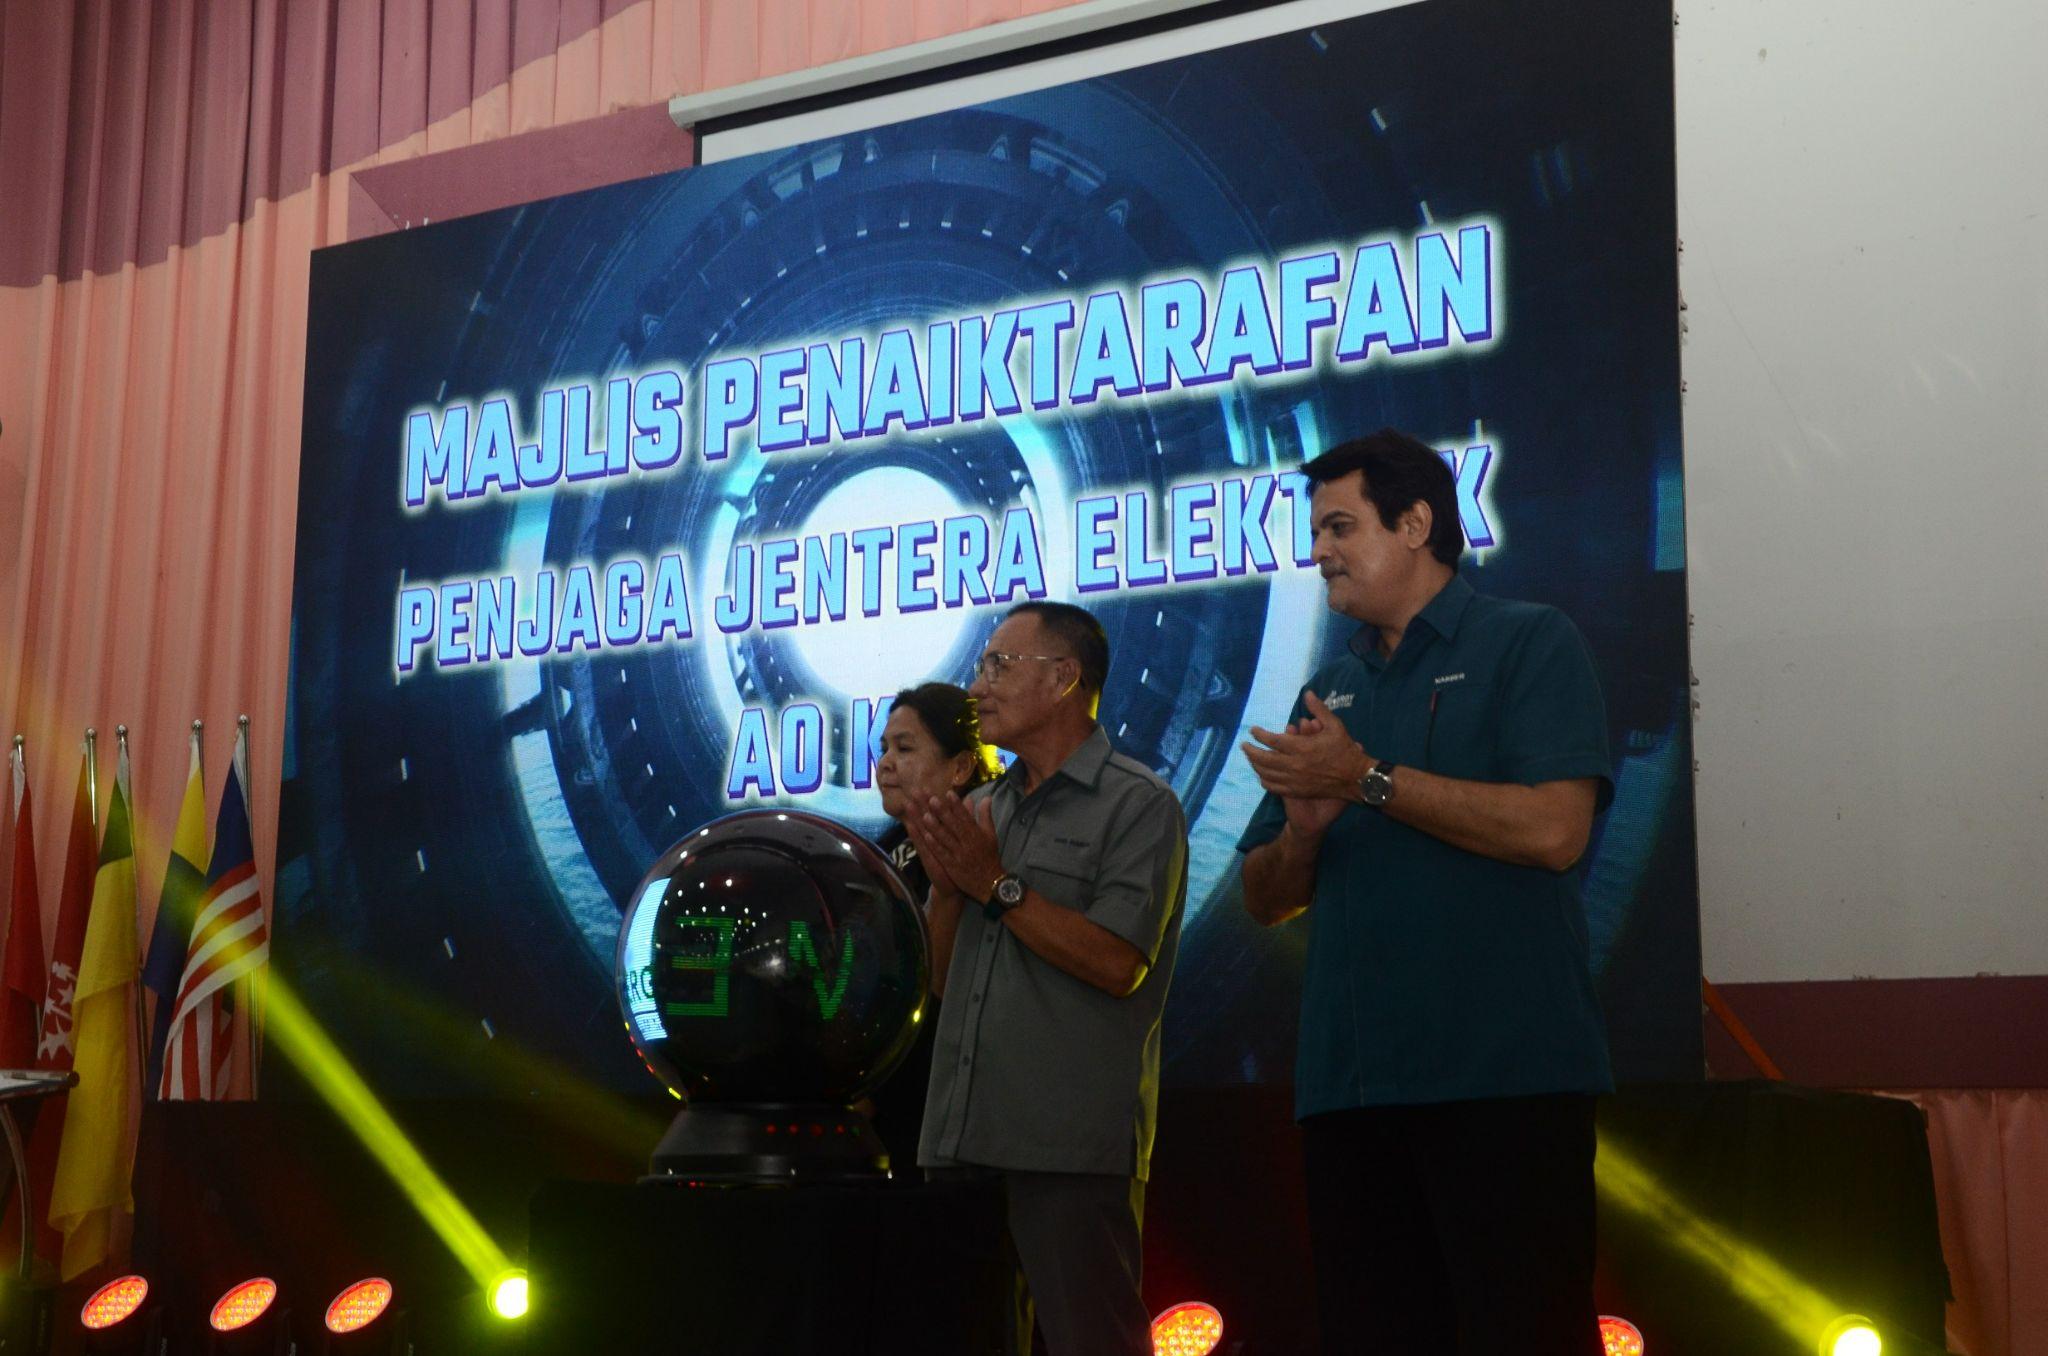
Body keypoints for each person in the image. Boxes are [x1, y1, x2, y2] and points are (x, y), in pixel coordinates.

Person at [1236, 429, 1614, 1355]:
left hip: (1504, 1082)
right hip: (1351, 1093)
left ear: (1414, 524)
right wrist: (1303, 834)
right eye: (1314, 532)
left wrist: (1366, 779)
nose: (1318, 551)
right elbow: (1261, 897)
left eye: (1339, 527)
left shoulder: (1529, 640)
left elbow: (1556, 831)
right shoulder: (1328, 687)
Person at [908, 601, 1188, 1356]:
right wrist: (946, 892)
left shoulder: (1139, 805)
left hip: (1066, 1149)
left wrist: (995, 885)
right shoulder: (979, 810)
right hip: (960, 1142)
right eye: (981, 668)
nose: (977, 688)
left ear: (1064, 677)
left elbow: (1117, 963)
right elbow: (941, 985)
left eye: (998, 666)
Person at [866, 682, 999, 1167]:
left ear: (961, 767)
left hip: (961, 1108)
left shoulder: (989, 838)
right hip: (889, 1098)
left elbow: (944, 987)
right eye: (884, 748)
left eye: (904, 749)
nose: (884, 764)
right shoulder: (885, 848)